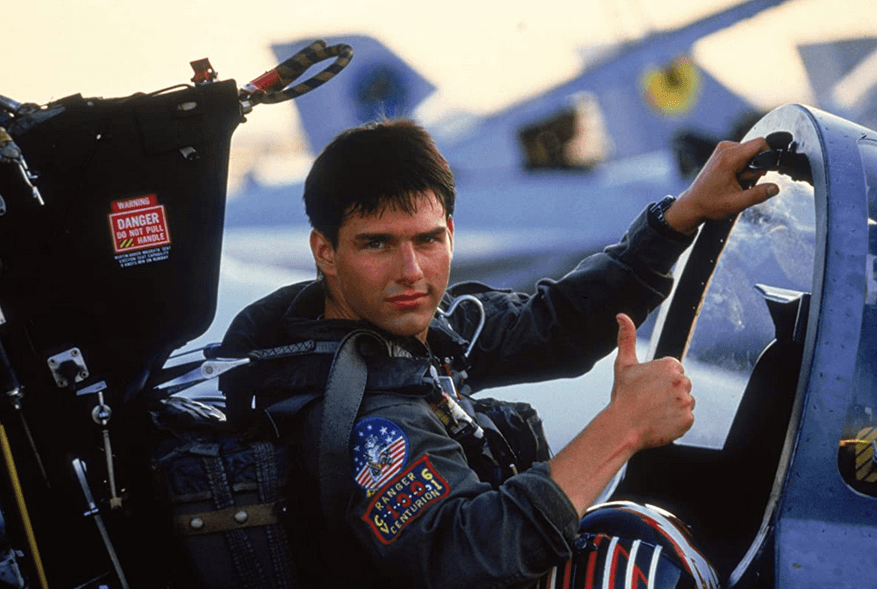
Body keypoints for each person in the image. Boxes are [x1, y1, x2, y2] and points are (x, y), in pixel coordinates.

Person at [219, 119, 778, 588]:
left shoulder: (410, 335)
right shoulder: (357, 416)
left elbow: (554, 323)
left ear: (451, 233)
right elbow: (470, 557)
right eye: (378, 244)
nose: (411, 272)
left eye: (427, 239)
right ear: (326, 252)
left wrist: (680, 216)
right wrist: (622, 428)